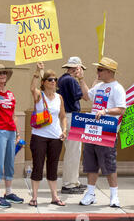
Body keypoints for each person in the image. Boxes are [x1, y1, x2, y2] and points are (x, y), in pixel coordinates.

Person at [76, 57, 126, 207]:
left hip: (107, 131)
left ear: (109, 72)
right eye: (98, 69)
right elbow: (86, 96)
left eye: (100, 69)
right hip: (92, 129)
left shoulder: (117, 88)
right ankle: (90, 193)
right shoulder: (99, 87)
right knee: (91, 163)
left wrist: (105, 111)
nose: (97, 72)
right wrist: (81, 80)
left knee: (109, 165)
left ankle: (114, 195)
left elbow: (121, 109)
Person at [0, 60, 24, 208]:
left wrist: (18, 133)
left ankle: (8, 192)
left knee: (9, 162)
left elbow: (13, 114)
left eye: (4, 73)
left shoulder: (10, 94)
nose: (2, 75)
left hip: (10, 131)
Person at [29, 62, 67, 207]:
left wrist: (64, 130)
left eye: (55, 80)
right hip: (39, 136)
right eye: (50, 79)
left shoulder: (59, 98)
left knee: (53, 166)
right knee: (38, 166)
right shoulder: (39, 95)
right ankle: (34, 197)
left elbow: (62, 116)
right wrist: (37, 71)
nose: (53, 82)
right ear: (44, 82)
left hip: (56, 137)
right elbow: (32, 88)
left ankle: (54, 196)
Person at [58, 56, 90, 194]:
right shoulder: (71, 80)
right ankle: (69, 184)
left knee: (73, 151)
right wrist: (81, 80)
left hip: (65, 116)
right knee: (73, 152)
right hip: (72, 116)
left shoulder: (61, 79)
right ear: (77, 68)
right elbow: (85, 96)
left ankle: (73, 181)